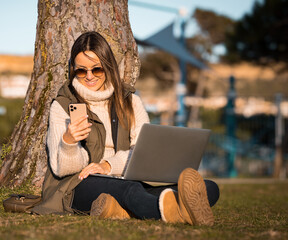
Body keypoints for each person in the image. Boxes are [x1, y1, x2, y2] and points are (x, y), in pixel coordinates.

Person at [32, 31, 219, 226]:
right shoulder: (62, 106)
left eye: (97, 69)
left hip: (123, 178)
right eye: (81, 70)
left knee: (209, 187)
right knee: (131, 191)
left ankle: (118, 210)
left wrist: (109, 166)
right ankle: (172, 213)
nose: (89, 76)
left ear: (108, 66)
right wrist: (69, 142)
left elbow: (142, 152)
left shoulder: (130, 102)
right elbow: (62, 170)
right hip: (78, 186)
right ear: (73, 69)